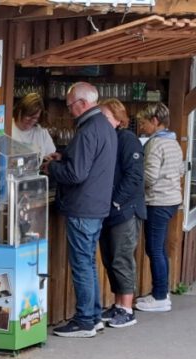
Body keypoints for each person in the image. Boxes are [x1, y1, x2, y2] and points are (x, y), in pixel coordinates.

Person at [41, 82, 117, 338]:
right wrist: (64, 156)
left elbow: (76, 174)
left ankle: (85, 320)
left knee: (83, 265)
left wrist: (51, 168)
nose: (69, 110)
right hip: (97, 205)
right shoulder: (105, 126)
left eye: (70, 105)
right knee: (89, 264)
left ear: (83, 104)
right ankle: (93, 317)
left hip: (83, 206)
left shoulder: (87, 130)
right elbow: (89, 163)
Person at [96, 99, 145, 329]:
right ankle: (118, 304)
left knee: (122, 257)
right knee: (109, 258)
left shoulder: (127, 140)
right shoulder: (107, 138)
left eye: (106, 117)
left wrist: (116, 201)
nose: (103, 122)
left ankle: (127, 308)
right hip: (108, 210)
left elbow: (134, 177)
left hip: (125, 210)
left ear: (119, 119)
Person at [134, 102, 184, 313]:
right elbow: (181, 170)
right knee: (159, 248)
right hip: (172, 200)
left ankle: (160, 296)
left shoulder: (155, 144)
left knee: (154, 249)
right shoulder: (173, 142)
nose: (141, 127)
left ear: (155, 121)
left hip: (157, 201)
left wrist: (135, 183)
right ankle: (161, 293)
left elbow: (150, 177)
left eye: (144, 123)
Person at [11, 92, 56, 160]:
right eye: (29, 116)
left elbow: (51, 155)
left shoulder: (41, 131)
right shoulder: (8, 127)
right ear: (20, 111)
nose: (32, 121)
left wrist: (47, 160)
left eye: (36, 118)